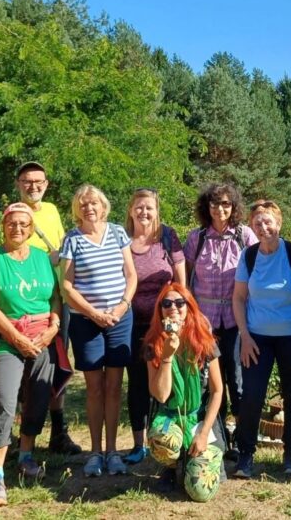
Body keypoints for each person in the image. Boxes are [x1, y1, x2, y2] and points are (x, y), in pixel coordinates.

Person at [0, 203, 63, 508]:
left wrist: (54, 328)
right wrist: (15, 338)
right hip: (10, 338)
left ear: (31, 228)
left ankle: (26, 455)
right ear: (4, 226)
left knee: (39, 396)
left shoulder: (41, 258)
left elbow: (55, 297)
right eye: (12, 223)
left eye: (24, 224)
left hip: (43, 336)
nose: (18, 229)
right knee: (5, 400)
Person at [232, 200, 291, 479]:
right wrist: (244, 335)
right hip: (256, 339)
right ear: (252, 227)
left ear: (278, 224)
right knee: (252, 395)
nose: (263, 227)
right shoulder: (249, 256)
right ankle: (246, 455)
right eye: (257, 223)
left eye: (268, 222)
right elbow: (239, 298)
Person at [60, 185, 137, 477]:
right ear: (77, 209)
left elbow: (131, 275)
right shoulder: (72, 239)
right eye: (83, 204)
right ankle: (95, 451)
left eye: (93, 203)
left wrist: (119, 308)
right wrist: (93, 313)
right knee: (94, 388)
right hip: (86, 322)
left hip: (119, 319)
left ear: (103, 206)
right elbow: (67, 286)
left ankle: (113, 451)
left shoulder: (118, 233)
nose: (88, 208)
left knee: (115, 386)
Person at [184, 183, 257, 460]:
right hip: (204, 321)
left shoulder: (244, 236)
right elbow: (187, 279)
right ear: (206, 207)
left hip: (238, 319)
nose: (220, 209)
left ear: (234, 207)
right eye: (214, 204)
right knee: (209, 381)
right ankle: (216, 436)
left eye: (226, 204)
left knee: (236, 379)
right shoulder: (197, 238)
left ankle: (241, 440)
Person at [15, 161, 81, 455]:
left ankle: (58, 432)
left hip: (58, 299)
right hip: (28, 304)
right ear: (18, 184)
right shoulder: (16, 215)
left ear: (46, 184)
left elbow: (62, 244)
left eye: (38, 181)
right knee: (23, 369)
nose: (34, 186)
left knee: (58, 364)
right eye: (27, 181)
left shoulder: (52, 211)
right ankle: (20, 435)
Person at [144, 283, 224, 502]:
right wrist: (167, 356)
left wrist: (204, 433)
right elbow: (160, 395)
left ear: (189, 308)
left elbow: (218, 391)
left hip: (199, 418)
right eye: (166, 303)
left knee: (200, 492)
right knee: (162, 439)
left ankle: (193, 459)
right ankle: (171, 466)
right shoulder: (153, 344)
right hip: (170, 415)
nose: (174, 308)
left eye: (180, 303)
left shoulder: (204, 342)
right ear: (160, 310)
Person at [123, 188, 186, 465]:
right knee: (137, 382)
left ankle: (168, 438)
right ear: (130, 210)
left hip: (165, 323)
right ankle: (139, 444)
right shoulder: (121, 239)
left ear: (157, 210)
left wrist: (181, 317)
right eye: (139, 207)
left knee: (168, 379)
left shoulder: (168, 237)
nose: (144, 212)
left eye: (149, 207)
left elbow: (181, 282)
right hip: (132, 324)